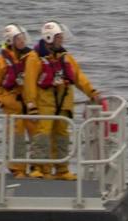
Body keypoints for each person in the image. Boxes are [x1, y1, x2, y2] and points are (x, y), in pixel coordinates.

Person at [23, 21, 101, 180]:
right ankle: (40, 168)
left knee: (62, 136)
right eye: (59, 37)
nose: (62, 40)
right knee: (42, 135)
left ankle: (62, 169)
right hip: (45, 104)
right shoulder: (34, 58)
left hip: (63, 104)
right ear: (50, 38)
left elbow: (78, 77)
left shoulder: (65, 57)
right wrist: (31, 104)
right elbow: (29, 82)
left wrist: (91, 92)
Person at [0, 24, 37, 179]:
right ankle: (18, 169)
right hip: (13, 106)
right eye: (18, 39)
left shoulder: (30, 57)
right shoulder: (1, 61)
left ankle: (38, 167)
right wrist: (2, 101)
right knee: (16, 139)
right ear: (10, 40)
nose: (22, 41)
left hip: (29, 106)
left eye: (23, 38)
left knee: (38, 135)